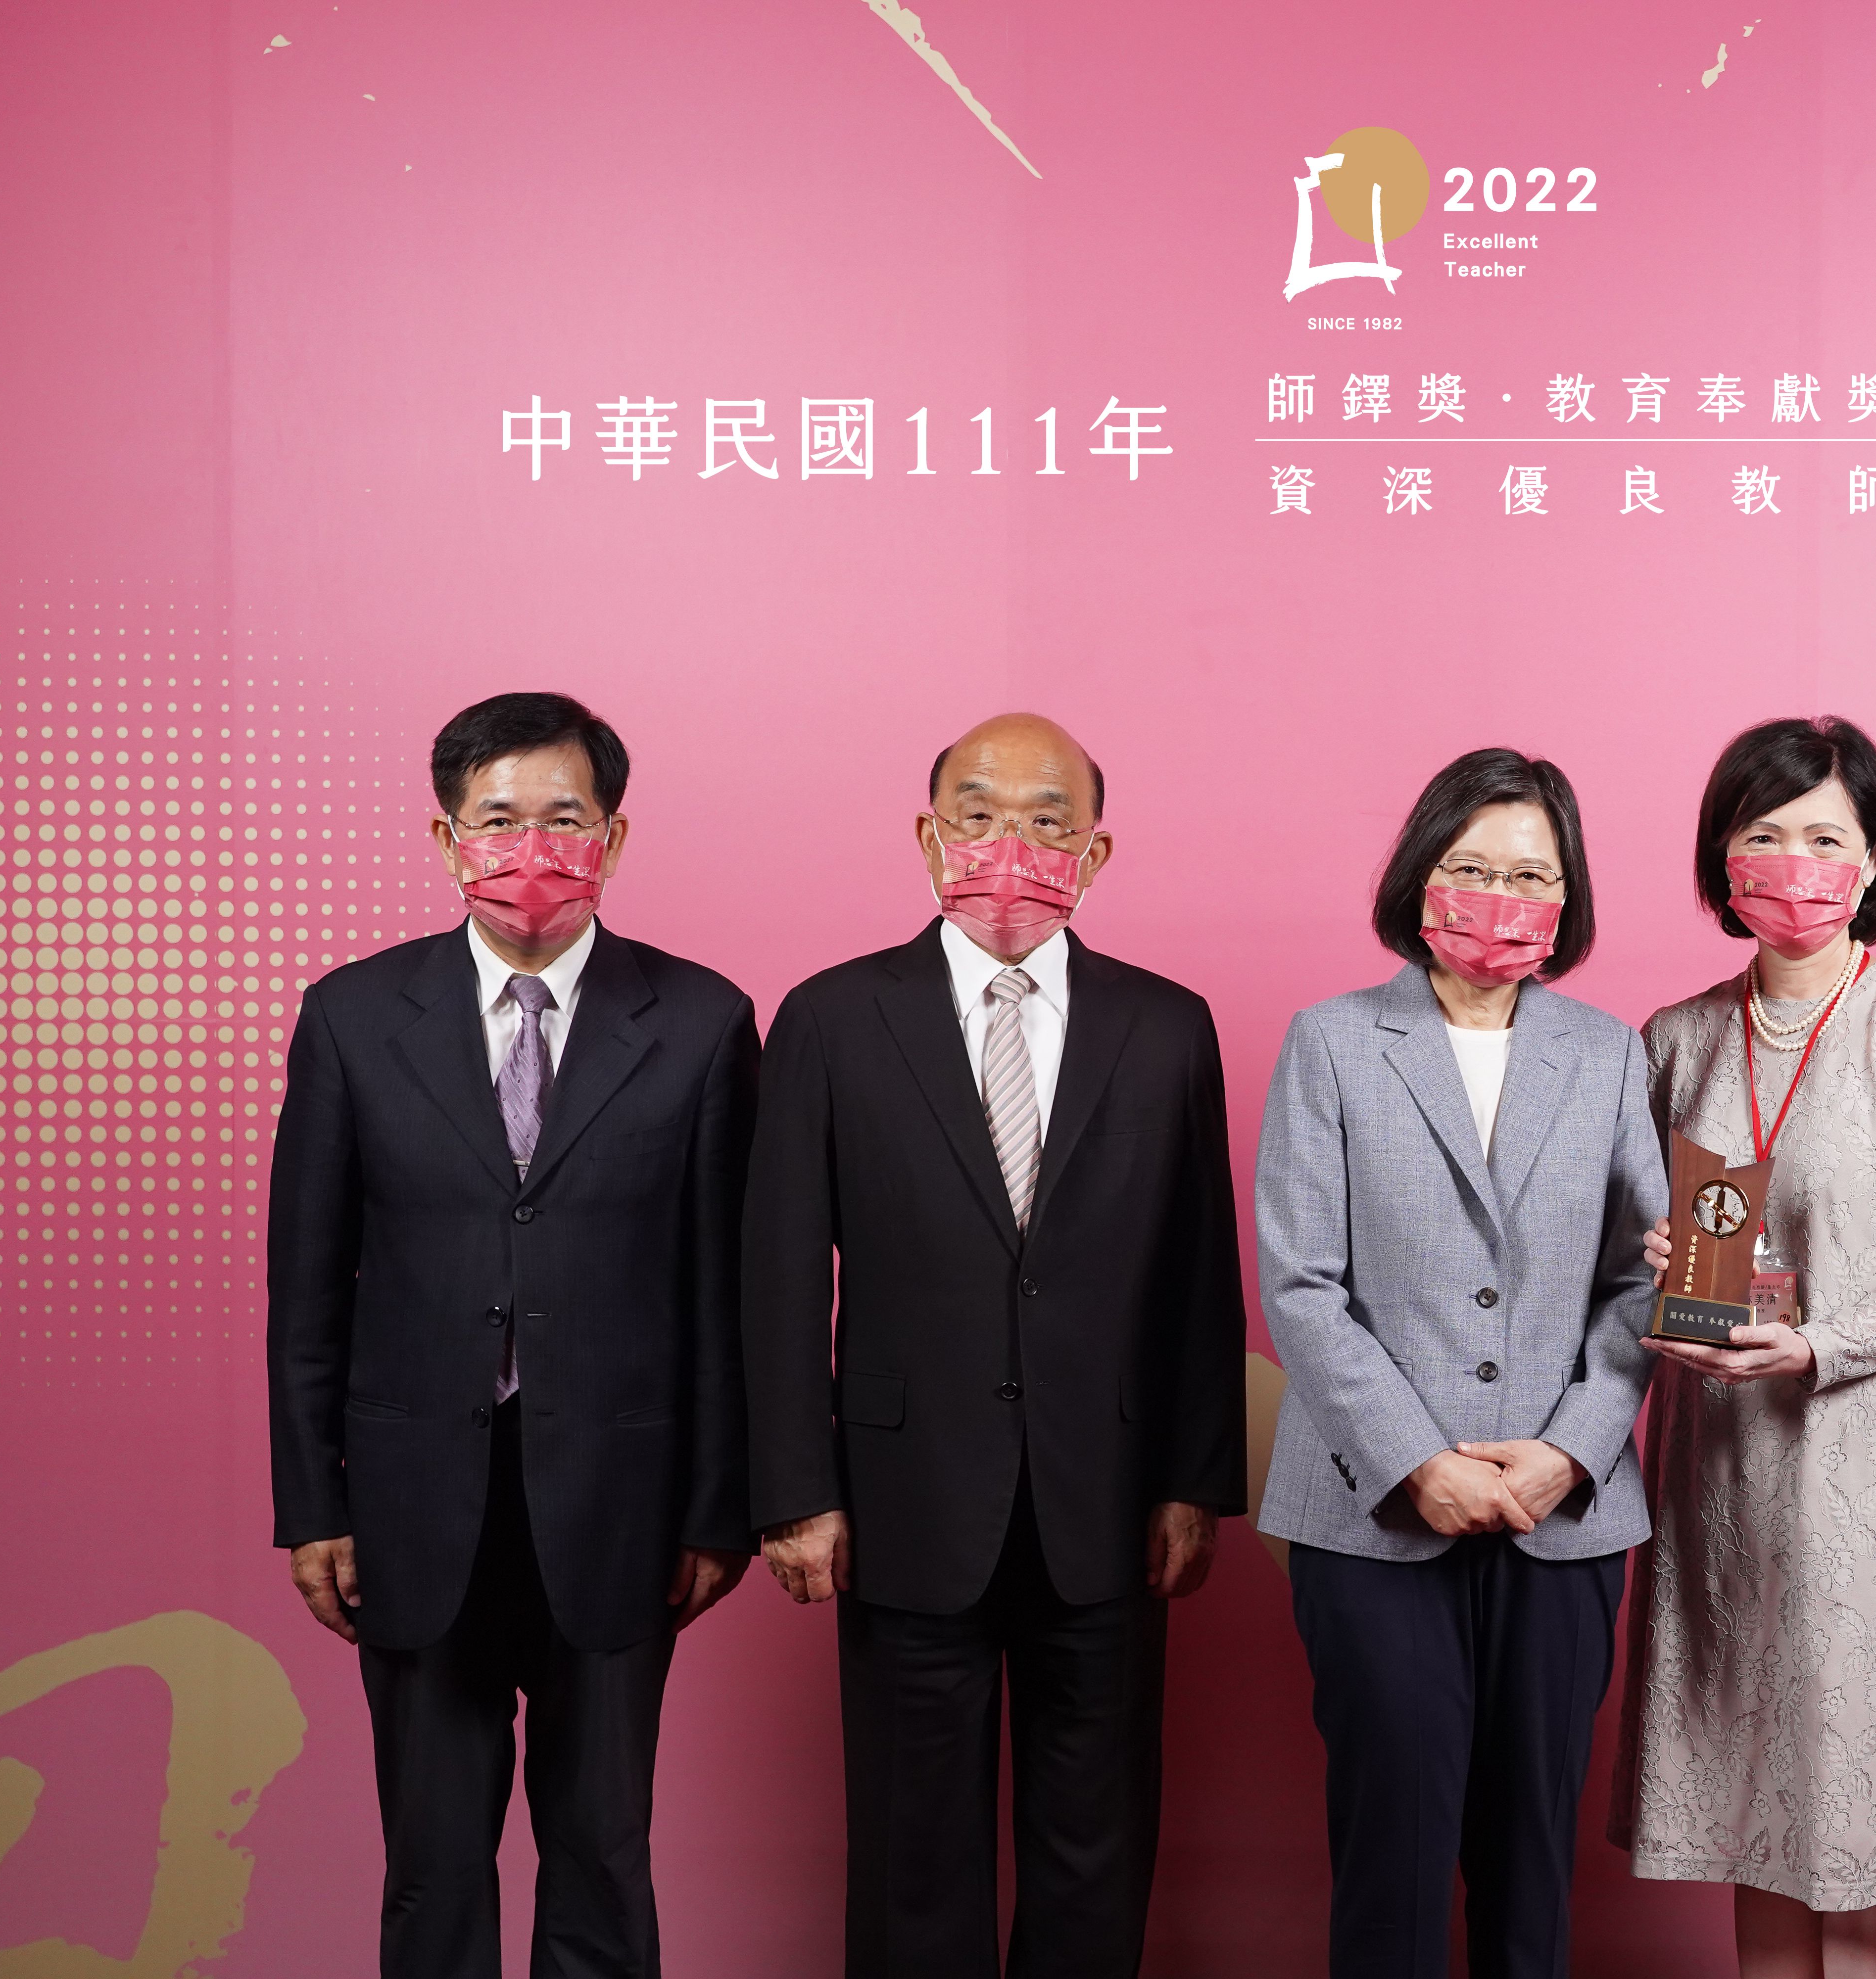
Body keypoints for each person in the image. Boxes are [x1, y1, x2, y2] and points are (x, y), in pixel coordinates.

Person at [742, 712, 1246, 1979]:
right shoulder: (832, 1017)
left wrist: (1193, 1481)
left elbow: (1199, 1276)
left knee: (1096, 1846)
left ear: (1096, 851)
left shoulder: (1166, 1025)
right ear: (928, 837)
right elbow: (781, 1273)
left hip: (1110, 1501)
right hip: (902, 1500)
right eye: (976, 815)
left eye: (1047, 820)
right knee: (913, 1852)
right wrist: (796, 1490)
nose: (1008, 845)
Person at [267, 692, 760, 1979]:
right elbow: (308, 1288)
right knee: (432, 1864)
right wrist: (314, 1503)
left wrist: (718, 1506)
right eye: (496, 819)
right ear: (446, 838)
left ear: (615, 835)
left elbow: (728, 1289)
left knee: (602, 1853)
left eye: (563, 817)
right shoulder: (352, 1017)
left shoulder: (703, 1021)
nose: (529, 848)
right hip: (415, 1504)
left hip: (621, 1505)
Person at [1254, 748, 1663, 1979]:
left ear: (1568, 895)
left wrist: (1569, 1451)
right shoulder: (1333, 1041)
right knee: (1393, 1851)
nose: (1501, 895)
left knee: (1532, 1859)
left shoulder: (1610, 1052)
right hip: (1375, 1511)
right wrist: (1418, 1460)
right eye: (1472, 866)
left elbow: (1643, 1278)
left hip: (1562, 1517)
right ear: (1420, 878)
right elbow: (1300, 1283)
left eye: (1531, 873)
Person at [1611, 716, 1876, 1979]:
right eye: (1767, 834)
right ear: (1722, 860)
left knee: (1872, 1811)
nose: (1798, 862)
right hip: (1726, 1478)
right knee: (1758, 1804)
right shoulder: (1674, 1038)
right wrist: (1654, 1259)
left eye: (1829, 838)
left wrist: (1817, 1341)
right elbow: (1634, 1242)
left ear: (1875, 862)